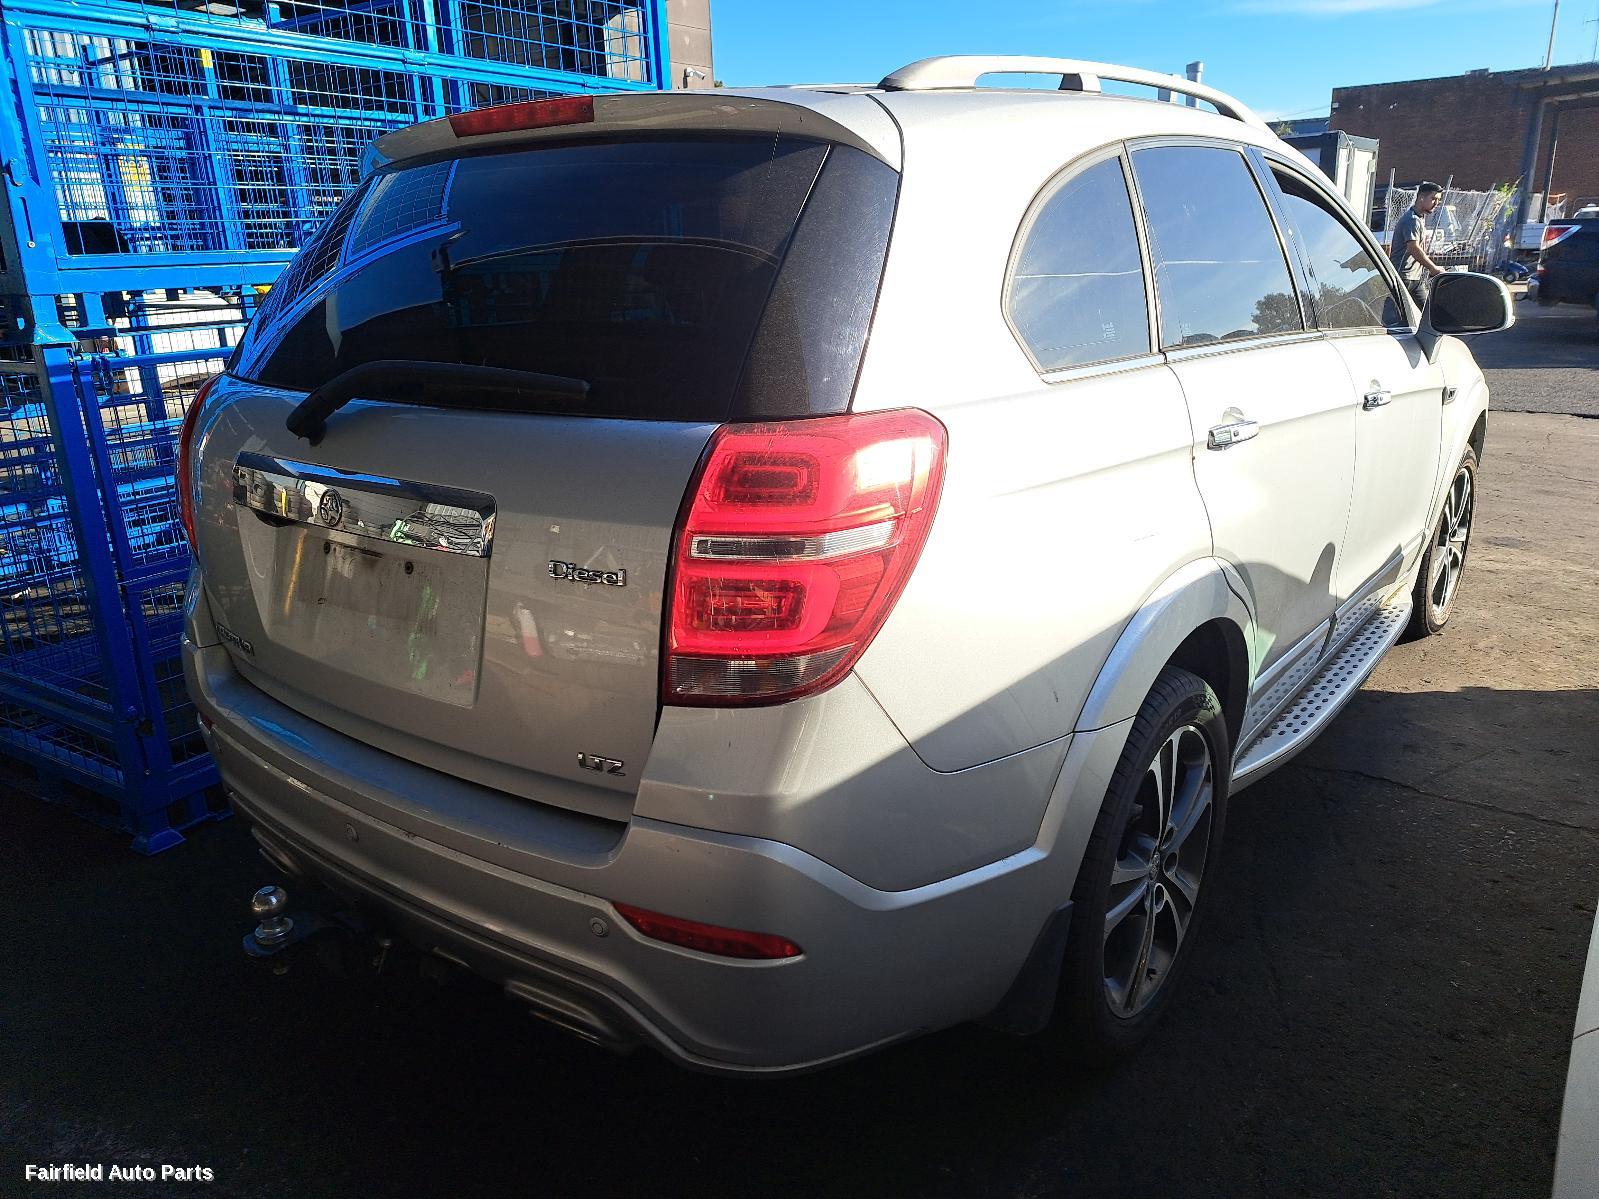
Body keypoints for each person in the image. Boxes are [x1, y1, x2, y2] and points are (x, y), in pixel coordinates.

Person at [1389, 182, 1446, 309]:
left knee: (1429, 313)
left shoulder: (1419, 218)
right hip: (1403, 277)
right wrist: (1433, 267)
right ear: (1421, 198)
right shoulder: (1412, 220)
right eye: (1433, 199)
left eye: (1438, 200)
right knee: (1393, 316)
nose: (1436, 203)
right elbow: (1413, 248)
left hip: (1415, 278)